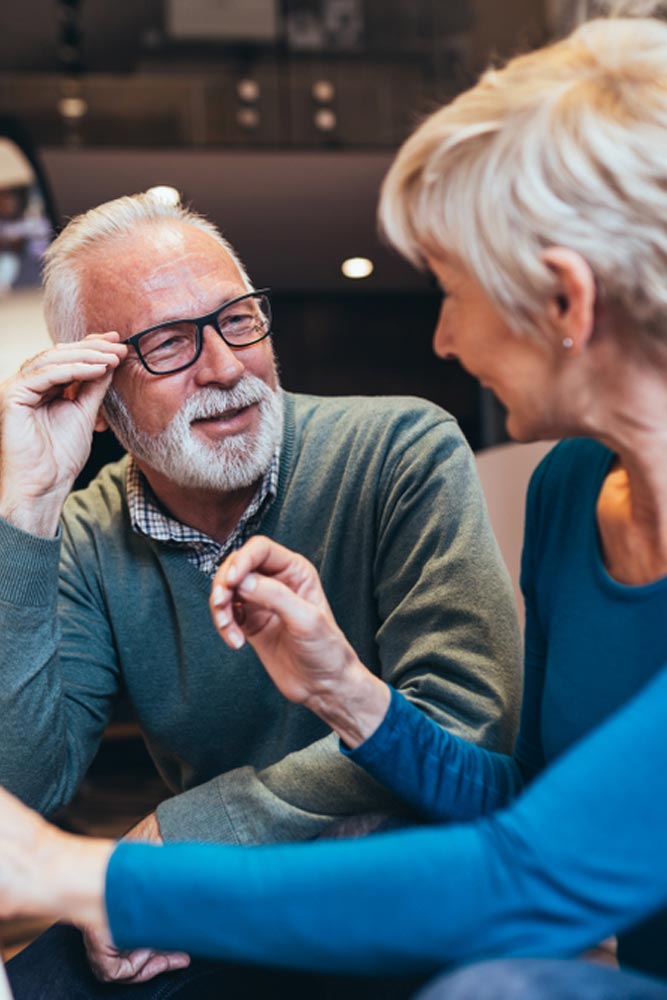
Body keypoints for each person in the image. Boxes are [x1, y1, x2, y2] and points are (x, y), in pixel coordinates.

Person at [4, 6, 667, 1000]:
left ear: (566, 301)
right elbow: (518, 800)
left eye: (448, 288)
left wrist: (104, 873)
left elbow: (527, 871)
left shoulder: (398, 447)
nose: (440, 341)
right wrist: (350, 692)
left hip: (475, 922)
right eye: (174, 344)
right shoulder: (575, 491)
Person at [0, 190, 521, 993]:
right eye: (169, 344)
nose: (225, 367)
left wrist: (192, 835)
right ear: (97, 397)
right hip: (225, 907)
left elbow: (467, 725)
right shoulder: (84, 536)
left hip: (408, 886)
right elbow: (25, 789)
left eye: (237, 320)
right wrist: (26, 511)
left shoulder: (399, 450)